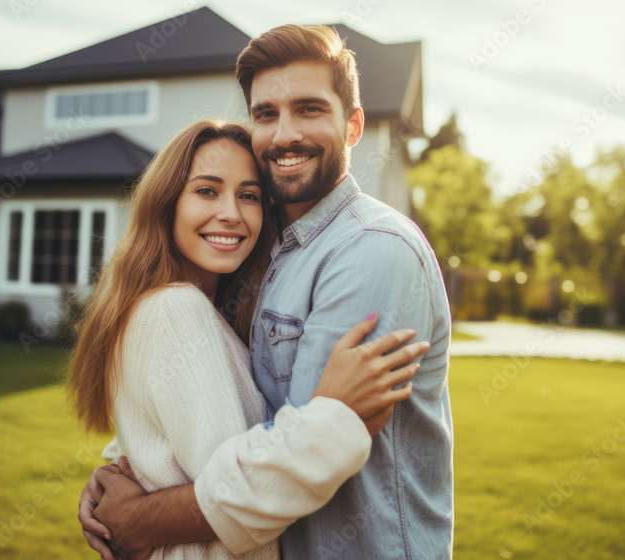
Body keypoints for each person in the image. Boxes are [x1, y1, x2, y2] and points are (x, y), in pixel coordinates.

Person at [81, 24, 454, 560]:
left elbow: (289, 465)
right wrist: (130, 463)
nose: (283, 135)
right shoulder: (267, 258)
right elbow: (214, 427)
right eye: (265, 114)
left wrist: (138, 518)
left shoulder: (370, 251)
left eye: (309, 109)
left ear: (353, 126)